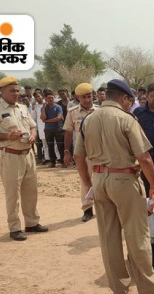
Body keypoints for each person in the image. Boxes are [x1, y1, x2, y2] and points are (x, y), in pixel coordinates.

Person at [73, 79, 154, 294]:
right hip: (125, 179)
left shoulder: (89, 119)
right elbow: (144, 157)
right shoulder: (126, 119)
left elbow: (79, 156)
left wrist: (88, 184)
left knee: (109, 236)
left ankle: (119, 288)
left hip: (99, 179)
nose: (131, 105)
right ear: (124, 98)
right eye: (130, 100)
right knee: (137, 235)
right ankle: (148, 288)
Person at [0, 76, 48, 241]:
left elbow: (33, 126)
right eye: (12, 91)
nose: (16, 93)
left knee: (30, 191)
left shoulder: (22, 107)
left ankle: (32, 223)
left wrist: (33, 135)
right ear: (2, 91)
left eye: (18, 90)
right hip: (10, 155)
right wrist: (8, 136)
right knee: (13, 194)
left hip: (28, 155)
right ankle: (14, 227)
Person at [63, 82, 97, 222]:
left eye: (89, 96)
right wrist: (66, 151)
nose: (87, 99)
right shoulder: (72, 112)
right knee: (85, 181)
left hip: (99, 153)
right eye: (84, 97)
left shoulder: (100, 111)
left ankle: (103, 208)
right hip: (83, 154)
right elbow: (68, 132)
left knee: (102, 180)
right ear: (78, 98)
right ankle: (87, 209)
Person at [40, 90, 65, 168]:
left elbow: (58, 118)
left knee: (60, 146)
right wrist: (43, 108)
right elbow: (43, 118)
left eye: (52, 98)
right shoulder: (44, 108)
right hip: (48, 129)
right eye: (49, 98)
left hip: (58, 128)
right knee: (50, 146)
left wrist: (47, 121)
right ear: (45, 99)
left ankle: (63, 162)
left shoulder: (58, 107)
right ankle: (52, 162)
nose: (51, 99)